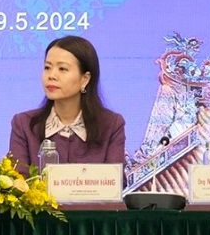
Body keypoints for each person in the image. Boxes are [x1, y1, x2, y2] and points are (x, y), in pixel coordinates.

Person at [8, 36, 126, 169]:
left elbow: (116, 178)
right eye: (47, 67)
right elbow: (17, 178)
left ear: (85, 79)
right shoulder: (24, 124)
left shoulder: (111, 125)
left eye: (62, 69)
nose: (51, 75)